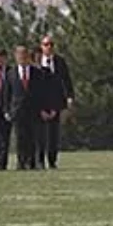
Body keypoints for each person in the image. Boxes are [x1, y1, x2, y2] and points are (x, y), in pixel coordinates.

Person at [36, 35, 73, 169]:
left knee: (53, 134)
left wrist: (69, 98)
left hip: (55, 102)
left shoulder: (60, 62)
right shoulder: (37, 62)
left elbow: (67, 80)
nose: (49, 47)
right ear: (41, 46)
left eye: (51, 44)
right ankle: (39, 160)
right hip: (39, 104)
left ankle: (52, 160)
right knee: (40, 134)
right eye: (46, 44)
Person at [8, 45, 44, 170]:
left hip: (33, 110)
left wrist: (43, 108)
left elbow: (42, 93)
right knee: (20, 137)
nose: (22, 57)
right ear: (16, 56)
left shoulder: (37, 73)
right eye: (19, 54)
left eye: (24, 54)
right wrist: (8, 110)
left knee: (32, 137)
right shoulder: (11, 73)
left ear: (28, 56)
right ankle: (21, 162)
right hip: (17, 111)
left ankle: (32, 161)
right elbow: (7, 93)